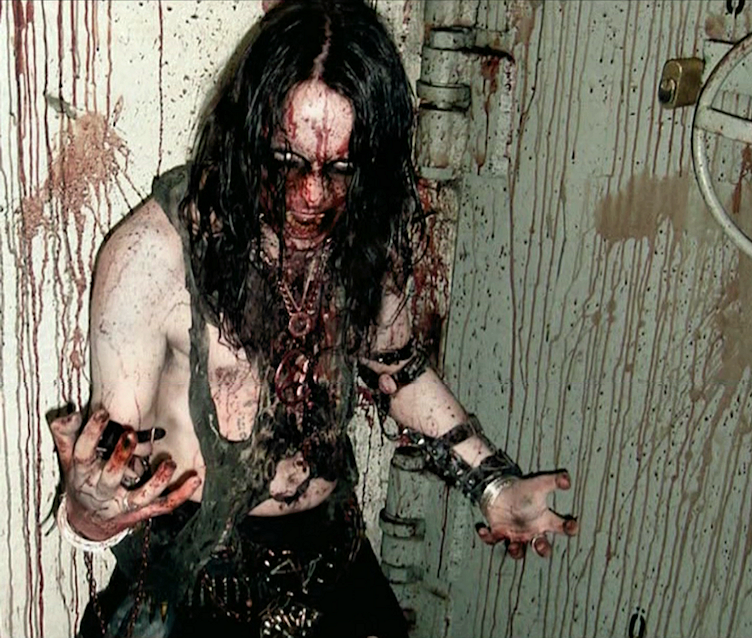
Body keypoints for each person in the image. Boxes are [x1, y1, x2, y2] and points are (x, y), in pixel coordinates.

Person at [48, 1, 578, 636]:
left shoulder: (361, 231)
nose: (312, 195)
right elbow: (112, 468)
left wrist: (493, 486)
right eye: (287, 162)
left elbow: (397, 372)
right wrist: (92, 509)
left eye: (341, 168)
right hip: (197, 581)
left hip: (333, 562)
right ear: (248, 133)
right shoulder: (154, 253)